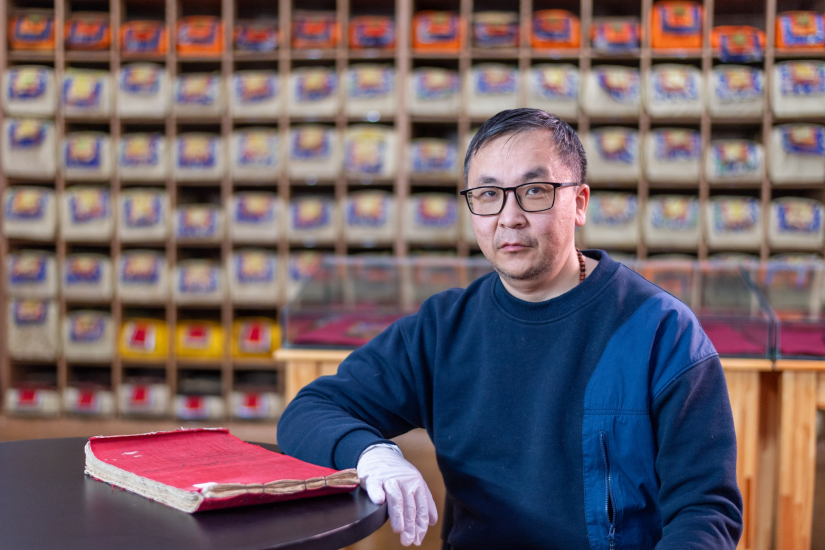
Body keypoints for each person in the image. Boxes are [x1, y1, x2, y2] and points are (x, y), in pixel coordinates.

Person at [277, 109, 743, 549]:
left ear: (579, 203)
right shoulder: (443, 329)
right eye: (488, 195)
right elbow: (310, 410)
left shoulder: (661, 331)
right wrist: (371, 454)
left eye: (534, 191)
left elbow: (705, 508)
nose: (509, 216)